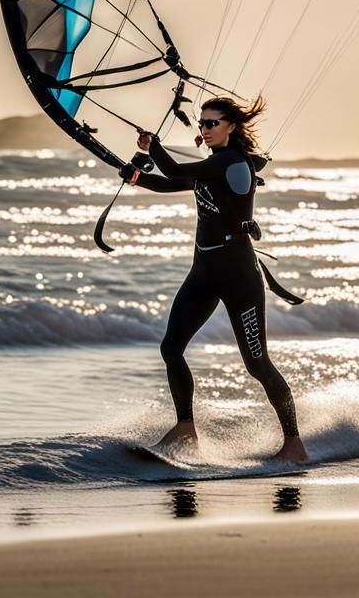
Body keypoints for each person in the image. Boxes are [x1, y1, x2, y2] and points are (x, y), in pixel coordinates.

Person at [120, 96, 308, 464]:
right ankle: (186, 430)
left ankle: (294, 444)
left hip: (239, 278)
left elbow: (175, 171)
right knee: (171, 348)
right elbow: (169, 183)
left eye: (211, 123)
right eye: (201, 123)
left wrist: (153, 146)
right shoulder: (211, 166)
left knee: (258, 365)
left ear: (231, 127)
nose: (204, 130)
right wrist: (137, 177)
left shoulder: (233, 162)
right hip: (203, 274)